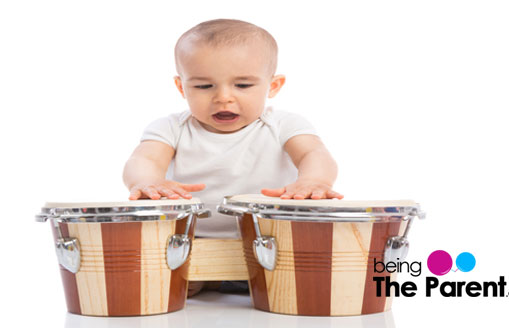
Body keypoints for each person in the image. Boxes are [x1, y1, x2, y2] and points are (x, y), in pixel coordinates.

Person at [122, 19, 343, 295]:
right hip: (192, 238)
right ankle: (210, 278)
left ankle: (240, 279)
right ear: (182, 87)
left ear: (273, 86)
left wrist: (313, 180)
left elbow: (314, 153)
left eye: (242, 85)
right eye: (204, 87)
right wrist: (147, 181)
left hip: (271, 238)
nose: (223, 97)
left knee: (293, 284)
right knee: (174, 283)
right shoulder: (170, 128)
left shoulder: (283, 124)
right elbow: (144, 160)